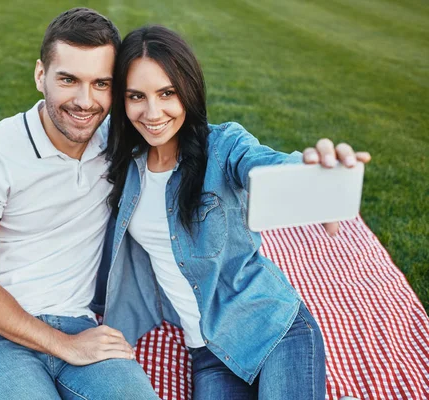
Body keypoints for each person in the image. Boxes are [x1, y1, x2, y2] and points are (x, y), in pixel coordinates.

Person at [94, 25, 372, 399]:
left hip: (272, 328)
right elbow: (70, 119)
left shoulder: (224, 146)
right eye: (136, 96)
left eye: (167, 93)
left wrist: (316, 173)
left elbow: (263, 164)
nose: (152, 112)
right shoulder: (123, 159)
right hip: (208, 351)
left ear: (188, 92)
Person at [0, 8, 159, 400]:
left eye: (101, 84)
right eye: (68, 80)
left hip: (78, 322)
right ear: (40, 75)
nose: (85, 101)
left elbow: (199, 137)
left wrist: (302, 161)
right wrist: (64, 345)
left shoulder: (117, 143)